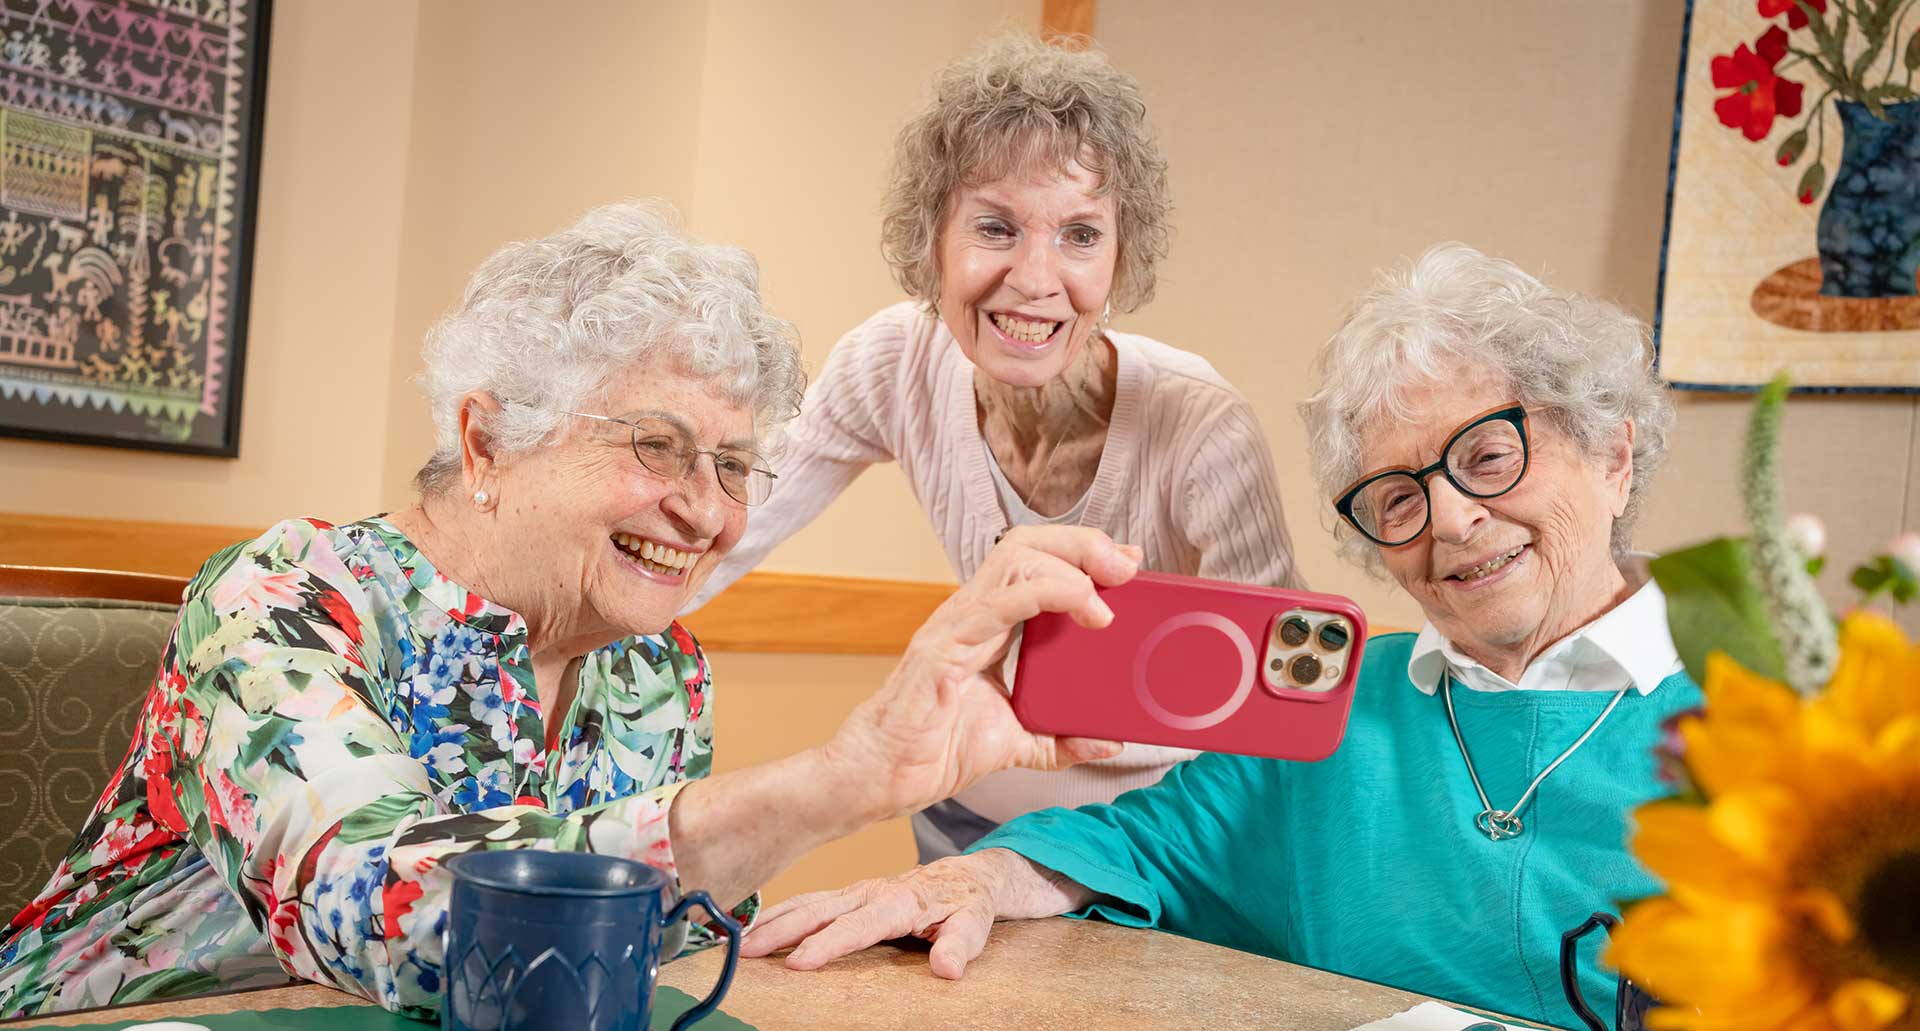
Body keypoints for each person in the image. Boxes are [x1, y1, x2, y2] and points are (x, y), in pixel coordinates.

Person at [0, 202, 1140, 1019]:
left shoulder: (658, 669)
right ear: (487, 440)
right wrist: (840, 778)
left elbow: (655, 955)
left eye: (737, 464)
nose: (705, 510)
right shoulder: (281, 602)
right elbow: (398, 917)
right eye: (657, 445)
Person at [739, 243, 1697, 1030]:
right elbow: (1138, 840)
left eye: (1488, 456)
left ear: (1612, 454)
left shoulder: (1777, 728)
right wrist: (979, 875)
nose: (1449, 520)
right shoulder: (1341, 706)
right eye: (1398, 496)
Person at [688, 35, 1302, 861]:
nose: (1037, 278)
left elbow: (1278, 704)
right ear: (930, 240)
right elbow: (726, 530)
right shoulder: (892, 362)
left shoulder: (1199, 426)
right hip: (966, 811)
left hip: (1145, 840)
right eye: (995, 226)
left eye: (1081, 235)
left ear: (1122, 257)